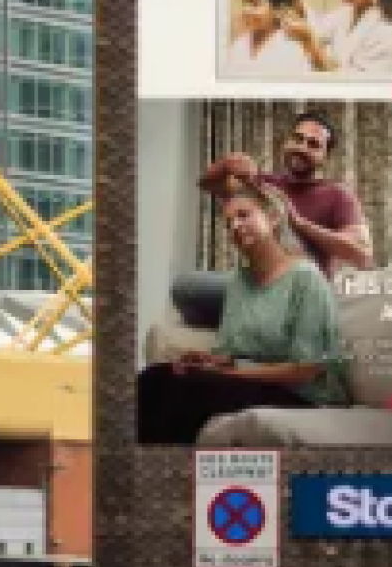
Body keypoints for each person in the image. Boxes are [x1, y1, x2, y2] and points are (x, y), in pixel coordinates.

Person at [137, 180, 350, 445]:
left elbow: (306, 369)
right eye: (228, 223)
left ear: (272, 218)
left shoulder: (306, 278)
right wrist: (208, 361)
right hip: (254, 383)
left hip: (302, 396)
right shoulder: (239, 281)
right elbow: (231, 355)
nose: (234, 226)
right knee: (154, 378)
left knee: (183, 391)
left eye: (243, 215)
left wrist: (228, 374)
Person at [198, 111, 374, 277]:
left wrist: (299, 223)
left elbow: (363, 256)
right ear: (286, 142)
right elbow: (208, 184)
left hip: (305, 290)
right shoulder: (263, 186)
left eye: (313, 144)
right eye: (297, 139)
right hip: (260, 283)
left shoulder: (338, 195)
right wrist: (227, 164)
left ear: (325, 156)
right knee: (188, 288)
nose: (302, 148)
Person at [221, 0, 332, 77]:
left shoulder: (293, 46)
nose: (245, 10)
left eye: (254, 4)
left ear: (278, 10)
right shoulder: (240, 43)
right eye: (243, 3)